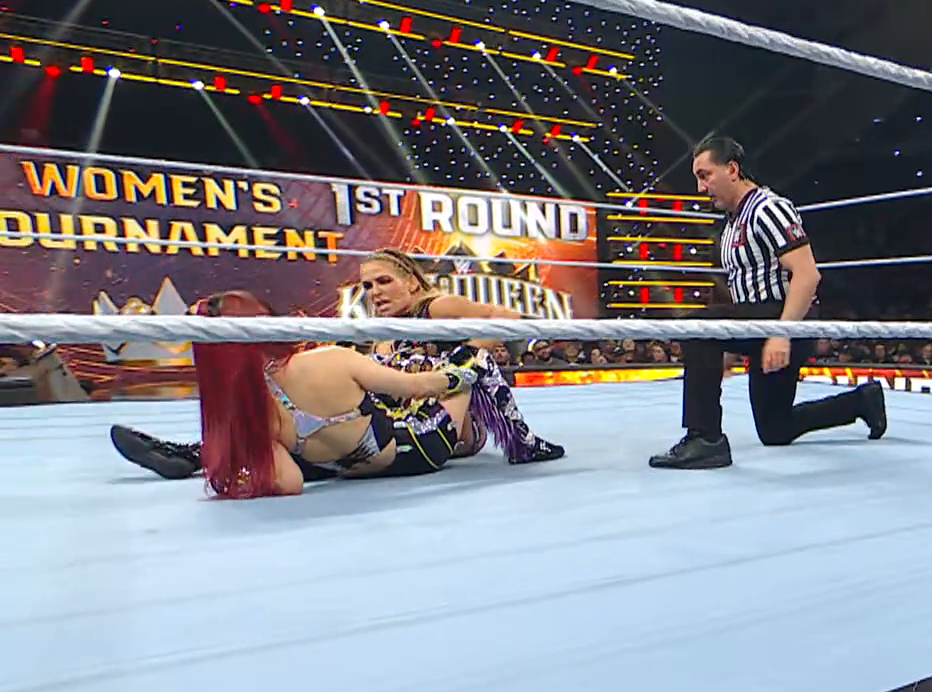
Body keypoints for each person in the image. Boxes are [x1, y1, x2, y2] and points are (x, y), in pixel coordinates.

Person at [111, 251, 561, 479]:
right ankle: (192, 454)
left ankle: (523, 443)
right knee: (295, 428)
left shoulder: (434, 307)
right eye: (367, 286)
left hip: (439, 419)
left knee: (474, 360)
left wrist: (465, 350)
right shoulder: (378, 330)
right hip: (387, 425)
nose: (375, 292)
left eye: (384, 281)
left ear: (411, 281)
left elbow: (501, 318)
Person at [177, 290, 561, 498]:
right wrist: (453, 376)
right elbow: (418, 387)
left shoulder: (248, 408)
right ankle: (524, 445)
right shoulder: (328, 359)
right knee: (473, 359)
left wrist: (248, 475)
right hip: (417, 450)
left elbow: (290, 481)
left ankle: (197, 453)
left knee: (398, 387)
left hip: (348, 470)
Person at [648, 134, 885, 470]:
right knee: (775, 428)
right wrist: (730, 346)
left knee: (697, 326)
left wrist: (780, 333)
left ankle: (705, 439)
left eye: (705, 175)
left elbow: (807, 274)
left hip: (785, 317)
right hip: (760, 324)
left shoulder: (768, 208)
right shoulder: (733, 223)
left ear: (732, 169)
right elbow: (743, 294)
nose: (701, 188)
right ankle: (862, 401)